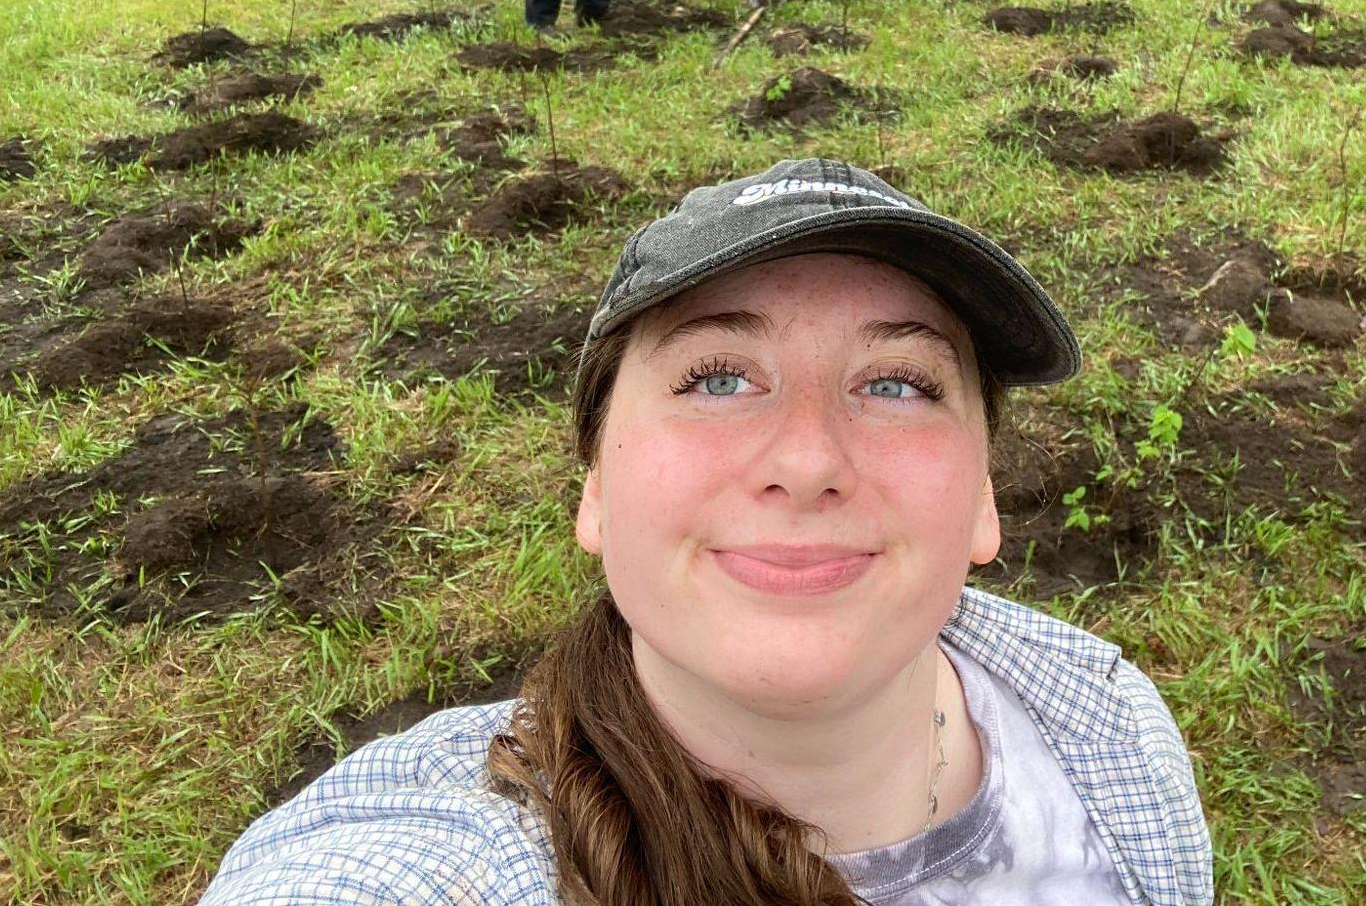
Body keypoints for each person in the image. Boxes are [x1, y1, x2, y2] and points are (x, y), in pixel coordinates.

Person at [200, 158, 1214, 906]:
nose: (807, 460)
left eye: (898, 384)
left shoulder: (1105, 721)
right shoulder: (427, 865)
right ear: (597, 487)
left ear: (983, 496)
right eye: (718, 379)